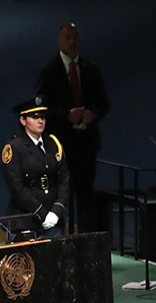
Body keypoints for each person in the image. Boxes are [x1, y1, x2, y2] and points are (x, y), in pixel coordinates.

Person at [35, 23, 109, 233]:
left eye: (76, 38)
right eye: (68, 37)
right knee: (60, 198)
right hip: (61, 147)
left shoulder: (91, 69)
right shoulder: (49, 72)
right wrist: (66, 115)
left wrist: (93, 113)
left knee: (86, 198)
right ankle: (60, 245)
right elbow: (41, 108)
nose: (72, 41)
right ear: (59, 40)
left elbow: (104, 103)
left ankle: (86, 249)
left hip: (86, 145)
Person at [0, 96, 70, 239]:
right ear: (23, 120)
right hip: (25, 218)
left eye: (43, 117)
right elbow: (17, 188)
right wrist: (42, 214)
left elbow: (64, 179)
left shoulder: (53, 143)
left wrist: (57, 210)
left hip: (53, 217)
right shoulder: (14, 147)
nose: (40, 121)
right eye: (34, 117)